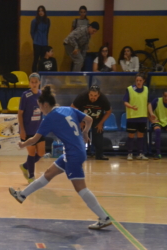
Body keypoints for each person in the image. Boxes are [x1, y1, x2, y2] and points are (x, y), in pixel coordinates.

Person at [9, 85, 112, 230]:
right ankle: (22, 195)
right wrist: (85, 133)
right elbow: (89, 119)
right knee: (49, 173)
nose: (40, 110)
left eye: (39, 107)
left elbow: (34, 140)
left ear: (45, 105)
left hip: (73, 155)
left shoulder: (49, 118)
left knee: (81, 188)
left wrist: (22, 144)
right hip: (76, 150)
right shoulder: (67, 109)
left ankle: (104, 217)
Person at [18, 73, 45, 184]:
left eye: (36, 82)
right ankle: (31, 177)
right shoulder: (26, 95)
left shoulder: (42, 94)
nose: (34, 84)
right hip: (28, 129)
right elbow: (20, 114)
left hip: (39, 129)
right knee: (32, 153)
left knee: (41, 153)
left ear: (39, 83)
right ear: (29, 83)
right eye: (32, 82)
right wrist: (22, 130)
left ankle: (25, 166)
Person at [71, 85, 111, 160]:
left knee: (98, 136)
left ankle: (99, 155)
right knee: (82, 136)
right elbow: (72, 107)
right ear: (88, 93)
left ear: (99, 95)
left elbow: (108, 111)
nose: (93, 97)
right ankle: (81, 154)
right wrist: (79, 121)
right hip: (84, 119)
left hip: (97, 120)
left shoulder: (103, 99)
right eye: (91, 95)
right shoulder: (82, 96)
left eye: (95, 96)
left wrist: (101, 123)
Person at [123, 73, 153, 160]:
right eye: (137, 80)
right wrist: (131, 106)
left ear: (143, 81)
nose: (138, 82)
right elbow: (125, 101)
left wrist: (151, 113)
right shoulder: (129, 89)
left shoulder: (146, 89)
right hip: (132, 117)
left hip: (143, 116)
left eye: (140, 80)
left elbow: (149, 103)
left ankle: (140, 153)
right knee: (131, 135)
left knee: (141, 135)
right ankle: (129, 154)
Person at [30, 5, 50, 72]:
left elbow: (47, 32)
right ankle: (34, 74)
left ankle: (42, 73)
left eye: (42, 11)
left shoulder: (47, 21)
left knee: (43, 59)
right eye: (39, 11)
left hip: (44, 43)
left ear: (44, 12)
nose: (41, 12)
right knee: (36, 59)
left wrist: (46, 41)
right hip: (37, 43)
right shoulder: (34, 21)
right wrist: (35, 39)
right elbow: (32, 32)